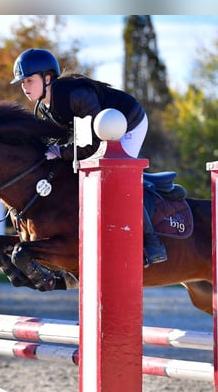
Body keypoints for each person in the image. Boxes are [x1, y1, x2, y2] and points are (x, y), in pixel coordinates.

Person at [10, 48, 167, 267]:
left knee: (118, 177)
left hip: (130, 123)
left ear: (47, 78)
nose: (24, 87)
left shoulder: (76, 96)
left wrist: (61, 152)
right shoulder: (43, 107)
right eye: (22, 82)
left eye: (29, 80)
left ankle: (152, 244)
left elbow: (90, 145)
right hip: (102, 131)